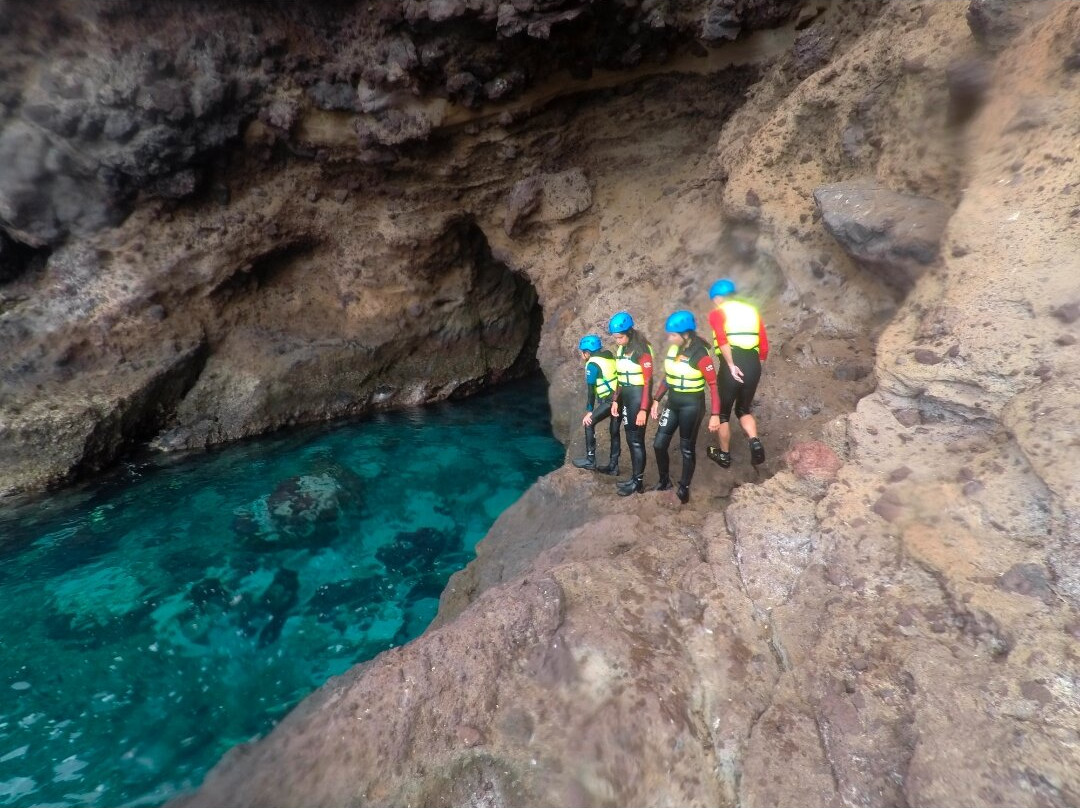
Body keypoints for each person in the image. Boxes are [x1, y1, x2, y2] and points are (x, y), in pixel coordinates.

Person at [649, 311, 722, 504]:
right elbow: (668, 377)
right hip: (673, 403)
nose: (669, 338)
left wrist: (715, 414)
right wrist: (656, 399)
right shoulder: (674, 349)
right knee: (658, 444)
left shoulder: (700, 354)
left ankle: (684, 487)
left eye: (673, 334)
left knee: (686, 449)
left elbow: (714, 386)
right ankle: (664, 480)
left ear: (686, 334)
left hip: (692, 406)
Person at [705, 278, 769, 468]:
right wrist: (755, 369)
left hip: (732, 364)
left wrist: (731, 365)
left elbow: (723, 339)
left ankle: (724, 455)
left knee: (723, 414)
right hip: (753, 364)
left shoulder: (718, 313)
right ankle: (754, 440)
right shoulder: (752, 311)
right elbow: (764, 346)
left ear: (717, 298)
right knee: (743, 409)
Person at [608, 312, 654, 496]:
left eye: (620, 337)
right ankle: (635, 478)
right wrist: (615, 401)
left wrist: (644, 409)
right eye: (616, 337)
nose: (617, 341)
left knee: (636, 440)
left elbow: (648, 382)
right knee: (630, 438)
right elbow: (620, 378)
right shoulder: (621, 349)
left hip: (638, 397)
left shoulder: (642, 350)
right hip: (626, 396)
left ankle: (639, 483)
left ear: (629, 332)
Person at [572, 334, 621, 475]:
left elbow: (591, 391)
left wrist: (589, 410)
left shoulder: (592, 365)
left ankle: (590, 460)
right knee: (614, 431)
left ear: (587, 352)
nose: (582, 354)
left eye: (582, 351)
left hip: (609, 400)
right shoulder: (608, 355)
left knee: (589, 423)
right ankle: (613, 466)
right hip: (619, 398)